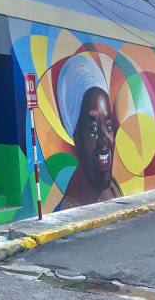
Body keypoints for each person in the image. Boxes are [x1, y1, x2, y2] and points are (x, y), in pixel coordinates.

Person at [56, 55, 119, 210]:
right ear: (75, 135)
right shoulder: (70, 208)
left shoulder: (114, 188)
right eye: (93, 129)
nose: (104, 141)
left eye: (108, 127)